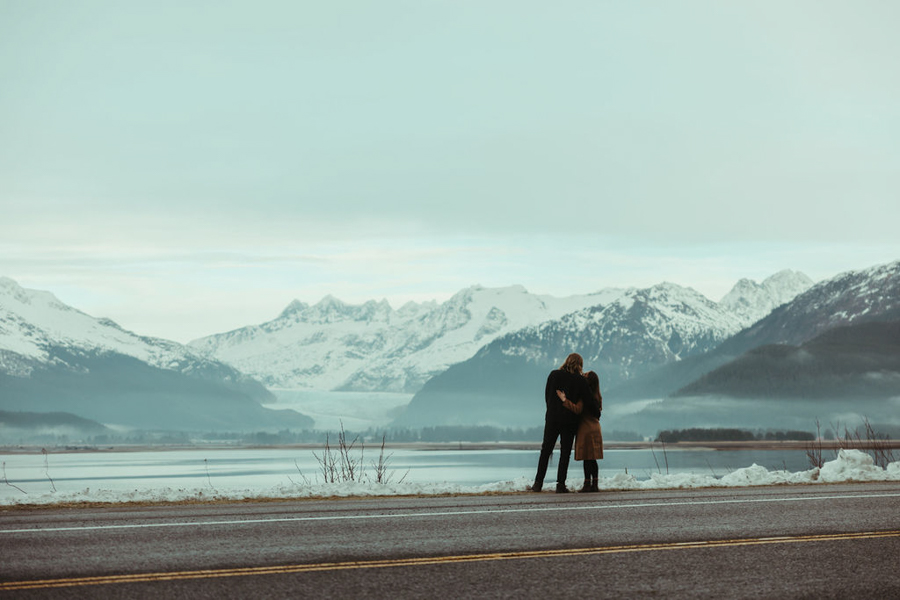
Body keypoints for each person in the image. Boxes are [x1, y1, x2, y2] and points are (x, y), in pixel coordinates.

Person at [528, 353, 590, 493]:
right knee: (565, 453)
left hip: (552, 418)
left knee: (546, 450)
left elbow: (547, 396)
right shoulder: (580, 380)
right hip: (570, 421)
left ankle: (538, 483)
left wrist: (551, 410)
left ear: (566, 361)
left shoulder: (554, 375)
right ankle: (560, 484)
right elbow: (587, 400)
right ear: (580, 364)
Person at [557, 370, 603, 492]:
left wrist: (564, 400)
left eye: (585, 375)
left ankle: (587, 484)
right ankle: (595, 484)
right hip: (595, 428)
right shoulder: (597, 396)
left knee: (586, 458)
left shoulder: (585, 397)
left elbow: (577, 409)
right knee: (592, 458)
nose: (582, 375)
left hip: (585, 428)